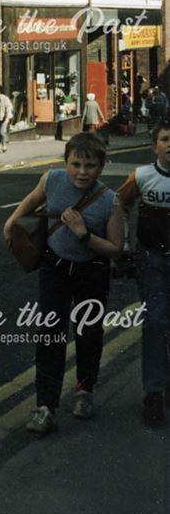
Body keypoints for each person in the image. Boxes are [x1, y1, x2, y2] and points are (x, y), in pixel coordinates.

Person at [3, 132, 123, 434]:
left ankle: (84, 391)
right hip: (54, 268)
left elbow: (116, 248)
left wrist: (84, 234)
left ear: (102, 166)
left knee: (88, 334)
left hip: (92, 271)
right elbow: (32, 200)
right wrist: (11, 221)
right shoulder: (52, 179)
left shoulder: (110, 200)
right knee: (49, 335)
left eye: (91, 166)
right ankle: (45, 406)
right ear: (66, 162)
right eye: (76, 164)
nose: (82, 172)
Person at [116, 119, 170, 427]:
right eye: (165, 139)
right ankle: (153, 391)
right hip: (151, 259)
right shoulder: (141, 176)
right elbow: (120, 204)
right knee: (154, 322)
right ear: (155, 146)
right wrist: (123, 244)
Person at [0, 84, 12, 153]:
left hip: (4, 118)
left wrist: (7, 118)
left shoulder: (5, 98)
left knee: (2, 132)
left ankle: (4, 146)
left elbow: (9, 108)